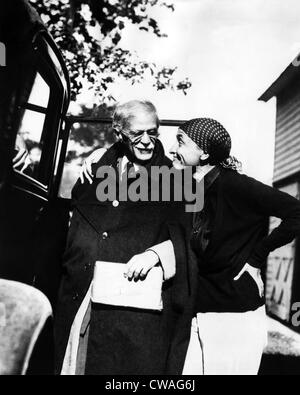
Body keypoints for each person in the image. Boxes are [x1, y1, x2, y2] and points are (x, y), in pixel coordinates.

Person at [82, 117, 300, 375]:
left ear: (205, 152)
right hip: (199, 313)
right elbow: (141, 178)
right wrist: (103, 156)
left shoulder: (237, 185)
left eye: (182, 142)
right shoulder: (189, 186)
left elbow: (295, 212)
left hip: (235, 318)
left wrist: (256, 258)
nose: (174, 148)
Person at [54, 100, 192, 375]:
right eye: (136, 134)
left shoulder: (177, 180)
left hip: (135, 308)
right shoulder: (94, 170)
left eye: (152, 132)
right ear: (118, 133)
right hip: (84, 296)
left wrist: (158, 254)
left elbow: (194, 236)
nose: (146, 142)